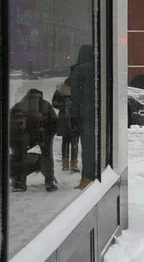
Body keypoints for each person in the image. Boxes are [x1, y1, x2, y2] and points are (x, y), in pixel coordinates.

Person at [9, 88, 58, 192]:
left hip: (23, 136)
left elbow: (9, 123)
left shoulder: (18, 105)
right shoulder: (46, 104)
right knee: (47, 156)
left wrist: (14, 140)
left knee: (19, 158)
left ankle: (19, 184)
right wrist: (49, 136)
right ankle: (49, 182)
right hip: (43, 135)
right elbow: (54, 122)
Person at [69, 44, 95, 190]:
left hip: (84, 114)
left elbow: (75, 97)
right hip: (98, 113)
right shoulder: (99, 68)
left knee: (87, 147)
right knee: (97, 146)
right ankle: (98, 174)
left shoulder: (79, 70)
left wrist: (73, 116)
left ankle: (87, 177)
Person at [52, 77, 79, 173]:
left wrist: (63, 106)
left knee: (66, 142)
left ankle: (66, 164)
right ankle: (72, 165)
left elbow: (54, 103)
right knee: (73, 142)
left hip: (65, 118)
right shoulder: (78, 90)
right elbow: (54, 104)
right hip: (73, 118)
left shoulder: (60, 90)